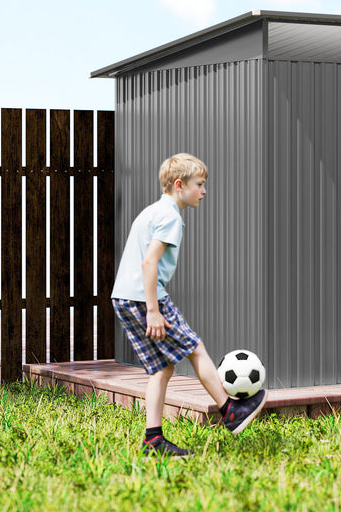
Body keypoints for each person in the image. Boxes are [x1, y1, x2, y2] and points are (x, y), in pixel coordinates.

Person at [111, 153, 266, 457]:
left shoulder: (152, 211)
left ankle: (153, 439)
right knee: (195, 348)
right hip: (145, 297)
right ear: (179, 185)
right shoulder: (169, 216)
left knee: (161, 368)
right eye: (200, 184)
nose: (204, 191)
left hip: (124, 296)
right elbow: (149, 263)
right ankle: (230, 411)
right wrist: (153, 310)